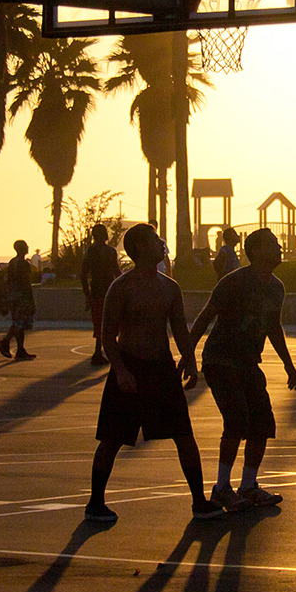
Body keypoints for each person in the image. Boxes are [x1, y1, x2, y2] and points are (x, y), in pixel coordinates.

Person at [85, 223, 224, 522]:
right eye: (154, 240)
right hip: (130, 367)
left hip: (161, 369)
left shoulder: (169, 288)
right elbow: (108, 336)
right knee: (111, 439)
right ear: (139, 249)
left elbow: (179, 328)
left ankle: (199, 501)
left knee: (184, 435)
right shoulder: (120, 287)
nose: (161, 243)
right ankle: (95, 503)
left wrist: (190, 360)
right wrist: (120, 371)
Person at [190, 228, 296, 511]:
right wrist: (187, 355)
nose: (279, 247)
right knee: (236, 421)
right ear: (256, 252)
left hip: (249, 362)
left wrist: (288, 364)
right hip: (221, 360)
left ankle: (248, 485)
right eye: (273, 243)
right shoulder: (235, 282)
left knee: (262, 423)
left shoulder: (277, 287)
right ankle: (222, 488)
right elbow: (205, 316)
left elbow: (274, 326)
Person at [79, 224, 120, 367]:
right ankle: (101, 352)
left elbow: (83, 275)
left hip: (97, 291)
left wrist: (87, 295)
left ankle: (99, 351)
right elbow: (117, 272)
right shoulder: (109, 252)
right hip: (107, 291)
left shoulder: (91, 252)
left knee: (100, 324)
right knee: (109, 323)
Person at [0, 240, 37, 361]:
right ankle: (6, 342)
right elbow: (26, 283)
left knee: (18, 323)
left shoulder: (12, 262)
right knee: (20, 323)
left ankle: (20, 349)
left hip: (12, 296)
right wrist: (31, 300)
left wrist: (5, 299)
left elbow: (8, 281)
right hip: (21, 297)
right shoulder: (23, 264)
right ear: (21, 249)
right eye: (25, 246)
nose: (28, 247)